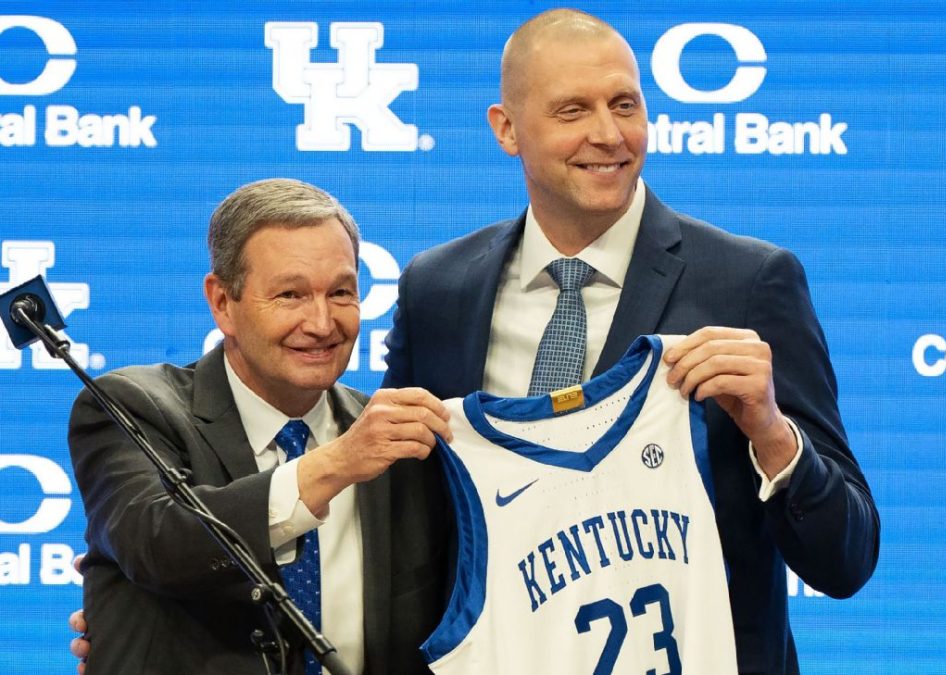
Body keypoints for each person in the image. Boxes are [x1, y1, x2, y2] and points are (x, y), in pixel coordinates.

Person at [382, 9, 879, 674]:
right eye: (572, 110)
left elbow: (846, 560)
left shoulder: (751, 282)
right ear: (506, 129)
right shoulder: (435, 291)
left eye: (625, 104)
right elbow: (408, 530)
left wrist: (772, 434)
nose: (608, 134)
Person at [67, 178, 452, 674]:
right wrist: (337, 463)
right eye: (290, 295)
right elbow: (157, 543)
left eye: (340, 292)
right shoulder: (131, 407)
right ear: (223, 302)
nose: (320, 322)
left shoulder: (402, 446)